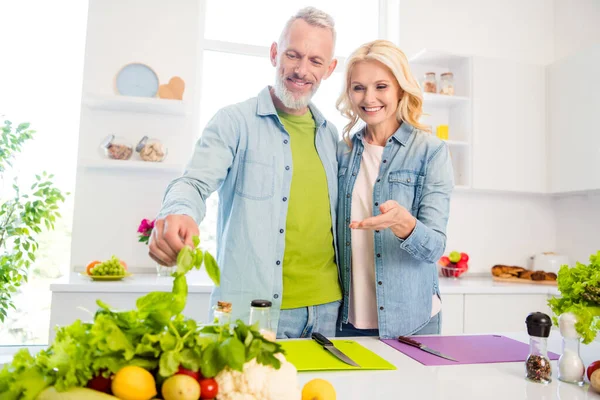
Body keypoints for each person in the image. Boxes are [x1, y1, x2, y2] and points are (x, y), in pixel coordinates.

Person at [149, 7, 343, 339]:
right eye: (292, 55)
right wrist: (177, 212)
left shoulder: (331, 136)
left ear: (329, 69)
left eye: (315, 61)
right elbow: (193, 183)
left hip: (328, 311)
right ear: (273, 54)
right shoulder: (233, 122)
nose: (301, 70)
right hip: (253, 312)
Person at [335, 40, 454, 339]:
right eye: (358, 87)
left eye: (381, 86)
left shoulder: (431, 151)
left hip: (412, 320)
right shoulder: (342, 152)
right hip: (347, 320)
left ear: (400, 89)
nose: (369, 98)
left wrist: (404, 224)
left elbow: (435, 247)